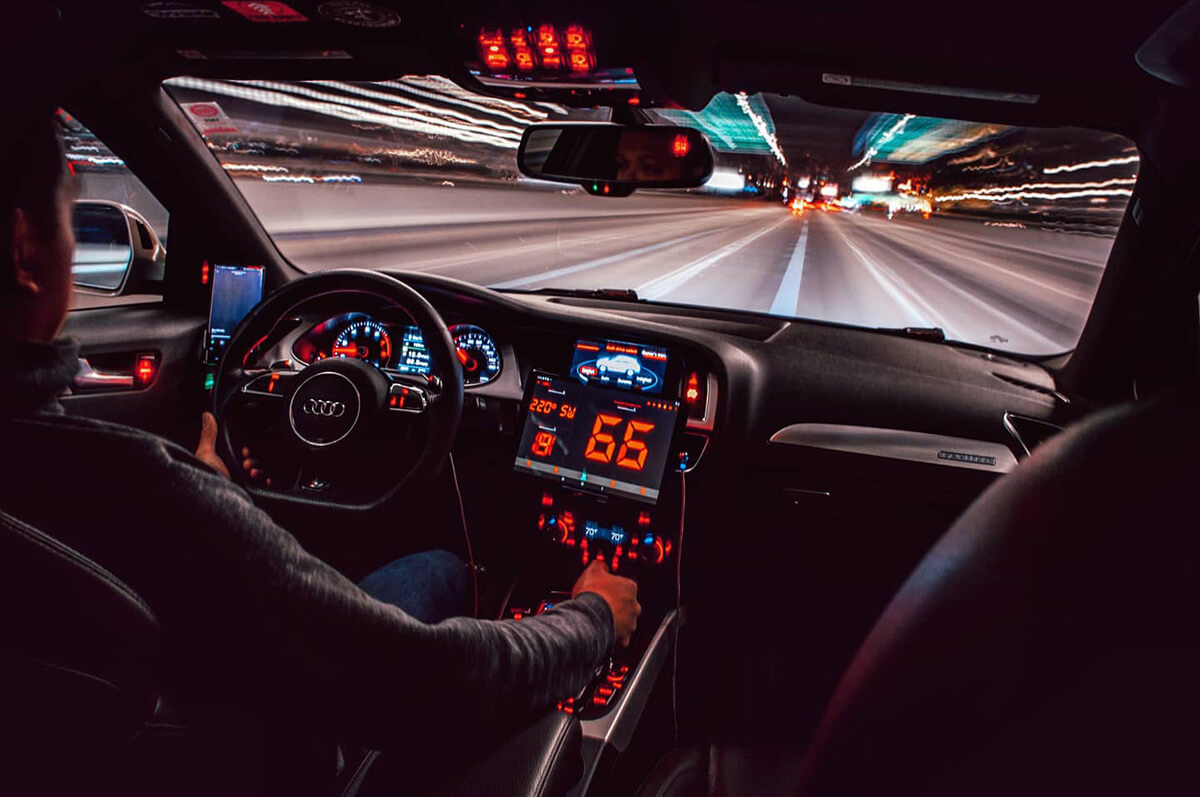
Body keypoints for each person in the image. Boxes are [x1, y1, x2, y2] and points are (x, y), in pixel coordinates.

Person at [0, 105, 639, 781]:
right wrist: (592, 618)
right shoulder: (143, 489)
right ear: (24, 250)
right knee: (446, 568)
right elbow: (421, 672)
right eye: (72, 222)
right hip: (257, 758)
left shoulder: (111, 486)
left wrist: (218, 498)